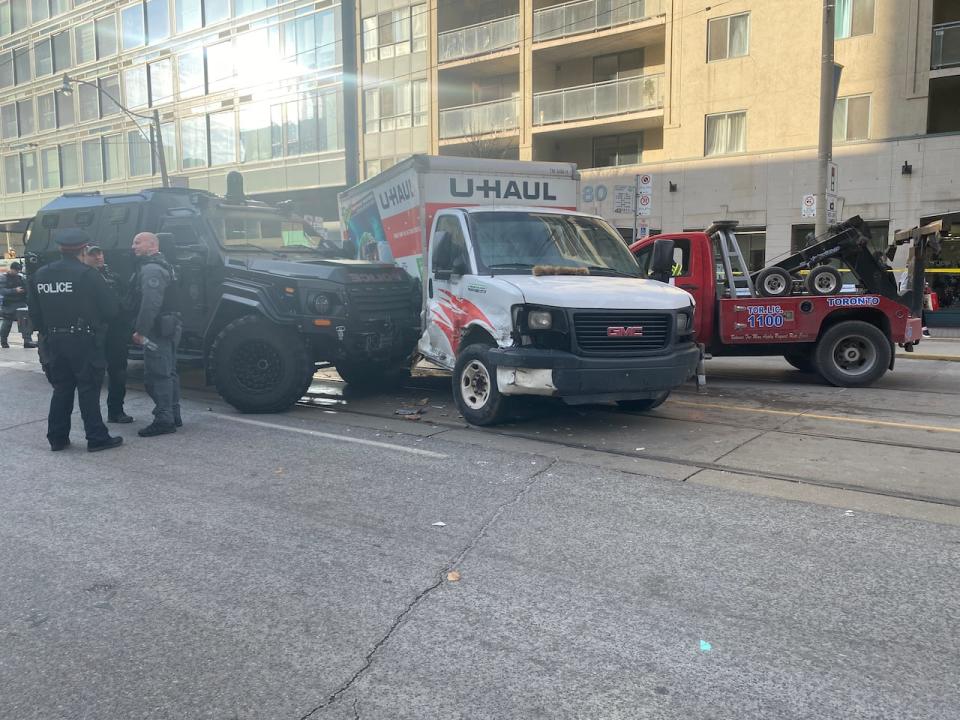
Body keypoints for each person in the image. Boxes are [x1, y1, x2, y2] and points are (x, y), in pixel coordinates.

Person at [27, 230, 123, 452]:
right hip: (83, 340)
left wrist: (49, 332)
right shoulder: (88, 275)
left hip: (54, 340)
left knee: (62, 388)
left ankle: (57, 438)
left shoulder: (40, 275)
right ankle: (96, 437)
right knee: (88, 388)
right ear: (83, 249)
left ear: (60, 248)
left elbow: (34, 312)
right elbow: (111, 309)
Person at [130, 232, 182, 436]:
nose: (133, 246)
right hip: (168, 326)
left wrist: (140, 331)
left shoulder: (151, 269)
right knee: (169, 372)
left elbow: (150, 304)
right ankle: (173, 414)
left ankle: (164, 419)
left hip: (156, 330)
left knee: (157, 374)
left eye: (137, 242)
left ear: (152, 245)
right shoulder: (164, 264)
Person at [82, 245, 133, 423]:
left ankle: (116, 411)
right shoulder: (81, 277)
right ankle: (92, 417)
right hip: (94, 332)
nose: (98, 257)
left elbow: (126, 302)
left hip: (115, 332)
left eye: (100, 253)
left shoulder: (114, 277)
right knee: (93, 376)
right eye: (93, 254)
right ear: (83, 257)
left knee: (118, 373)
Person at [1, 261, 37, 348]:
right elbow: (2, 291)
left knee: (25, 323)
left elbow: (27, 289)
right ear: (12, 269)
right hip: (9, 304)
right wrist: (14, 290)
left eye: (18, 271)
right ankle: (3, 341)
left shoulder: (21, 278)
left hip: (21, 303)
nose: (17, 272)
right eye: (16, 270)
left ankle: (27, 341)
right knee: (7, 324)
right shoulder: (3, 278)